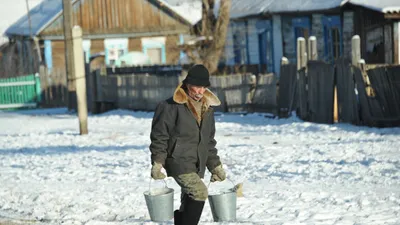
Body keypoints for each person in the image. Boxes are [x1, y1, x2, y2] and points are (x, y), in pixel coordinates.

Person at [149, 64, 226, 225]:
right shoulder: (170, 106)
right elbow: (159, 136)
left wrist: (215, 165)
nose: (199, 91)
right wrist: (157, 162)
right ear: (187, 84)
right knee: (199, 192)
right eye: (196, 87)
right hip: (177, 160)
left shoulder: (208, 109)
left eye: (203, 87)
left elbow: (208, 142)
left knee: (188, 198)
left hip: (197, 162)